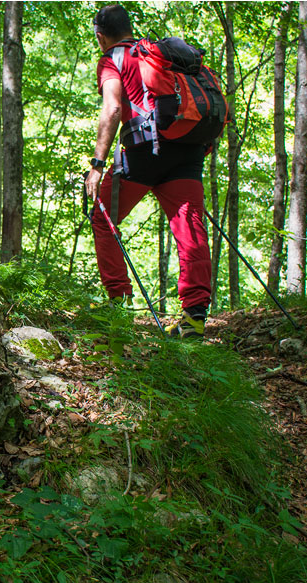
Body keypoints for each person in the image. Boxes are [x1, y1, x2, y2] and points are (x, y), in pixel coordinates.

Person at [85, 5, 212, 339]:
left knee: (102, 216)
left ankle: (119, 299)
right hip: (187, 151)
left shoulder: (113, 59)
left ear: (101, 35)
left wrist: (97, 166)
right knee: (190, 226)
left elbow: (113, 108)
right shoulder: (158, 54)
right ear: (130, 27)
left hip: (143, 152)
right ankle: (195, 316)